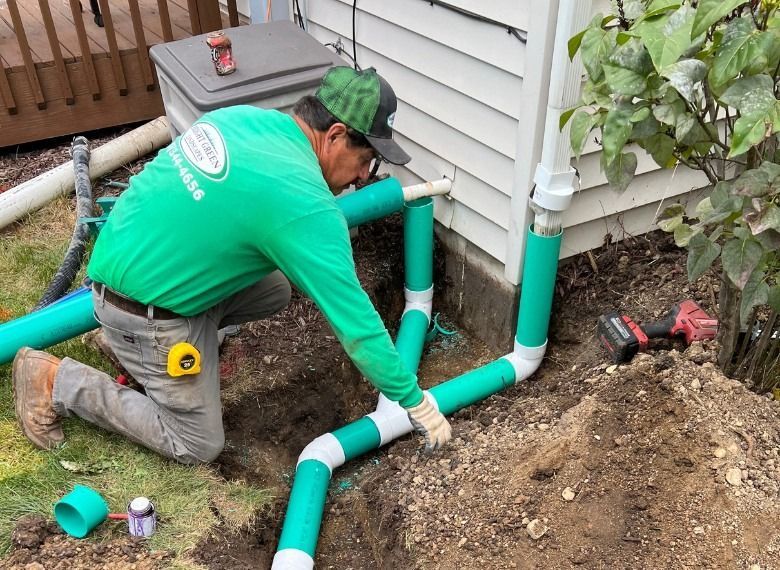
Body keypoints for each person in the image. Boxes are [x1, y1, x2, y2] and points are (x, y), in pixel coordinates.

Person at [12, 66, 452, 464]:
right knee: (196, 443)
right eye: (366, 161)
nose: (362, 178)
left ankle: (138, 352)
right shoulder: (304, 206)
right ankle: (56, 382)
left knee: (275, 288)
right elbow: (357, 327)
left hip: (123, 259)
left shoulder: (242, 119)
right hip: (138, 309)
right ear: (335, 135)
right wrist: (414, 401)